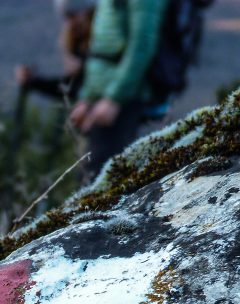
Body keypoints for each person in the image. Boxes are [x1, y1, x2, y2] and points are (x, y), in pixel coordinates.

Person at [69, 0, 169, 179]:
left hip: (122, 100)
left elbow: (142, 44)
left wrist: (114, 98)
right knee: (90, 173)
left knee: (104, 175)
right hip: (103, 98)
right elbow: (102, 47)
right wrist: (87, 97)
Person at [15, 0, 97, 103]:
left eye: (72, 15)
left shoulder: (100, 44)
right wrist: (33, 81)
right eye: (66, 17)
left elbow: (76, 89)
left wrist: (84, 66)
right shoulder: (76, 44)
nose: (69, 23)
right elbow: (71, 89)